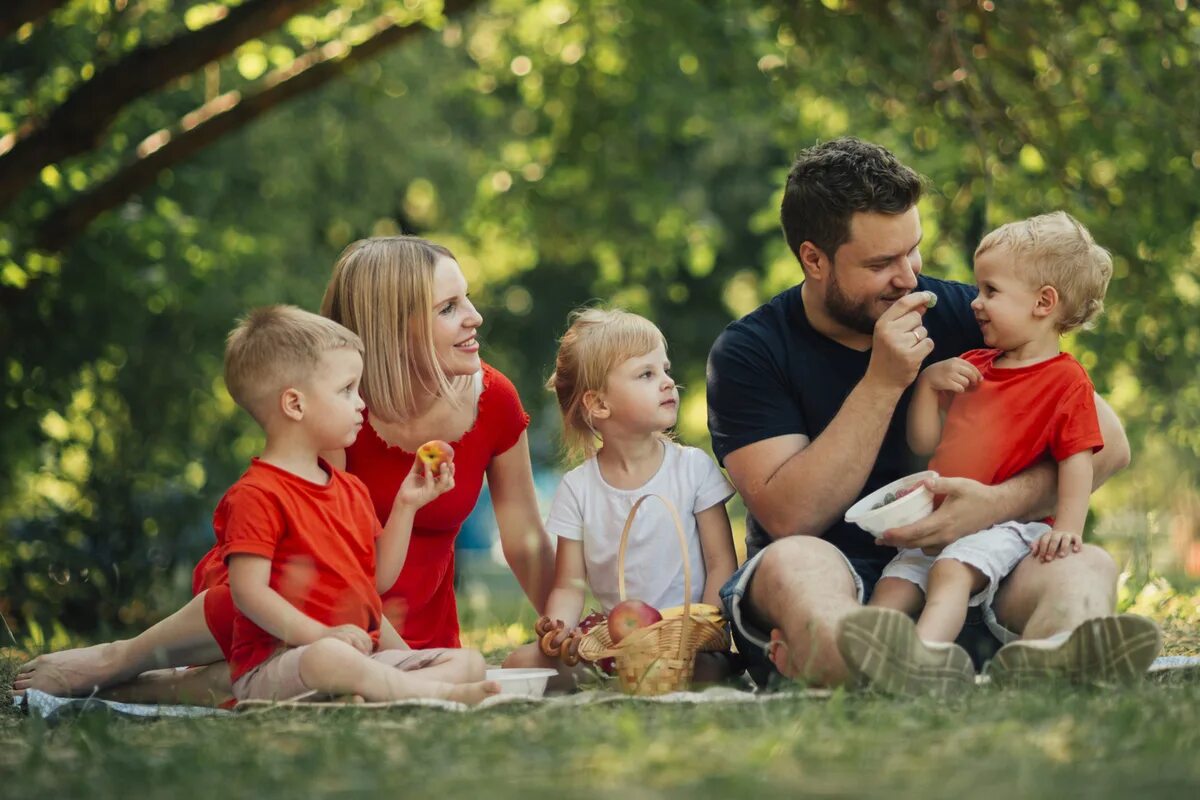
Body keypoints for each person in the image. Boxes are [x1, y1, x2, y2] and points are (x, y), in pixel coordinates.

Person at [13, 236, 555, 703]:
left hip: (401, 614)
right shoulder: (337, 406)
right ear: (394, 326)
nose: (475, 316)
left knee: (306, 676)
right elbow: (330, 560)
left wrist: (565, 627)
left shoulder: (495, 399)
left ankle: (159, 686)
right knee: (301, 656)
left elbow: (526, 542)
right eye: (448, 307)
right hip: (299, 586)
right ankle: (119, 661)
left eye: (467, 299)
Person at [705, 136, 1158, 692]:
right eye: (881, 263)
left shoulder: (969, 315)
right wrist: (884, 381)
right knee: (792, 562)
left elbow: (1109, 443)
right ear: (813, 259)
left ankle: (1054, 657)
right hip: (837, 581)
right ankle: (878, 660)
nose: (909, 277)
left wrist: (994, 504)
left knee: (1086, 564)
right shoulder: (749, 352)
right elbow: (792, 517)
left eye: (912, 249)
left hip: (969, 575)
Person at [839, 211, 1157, 695]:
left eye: (990, 291)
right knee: (896, 583)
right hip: (941, 517)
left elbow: (1077, 458)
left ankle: (922, 663)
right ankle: (868, 661)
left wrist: (1068, 528)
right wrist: (926, 385)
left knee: (948, 574)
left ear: (1043, 302)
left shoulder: (1065, 381)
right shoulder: (973, 365)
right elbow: (924, 444)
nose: (976, 304)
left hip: (1003, 528)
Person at [215, 305, 495, 704]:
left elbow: (376, 579)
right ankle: (430, 695)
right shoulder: (256, 495)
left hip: (358, 656)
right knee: (330, 658)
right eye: (347, 390)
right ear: (295, 405)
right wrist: (320, 636)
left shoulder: (349, 490)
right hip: (281, 662)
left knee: (469, 662)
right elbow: (248, 594)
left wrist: (405, 506)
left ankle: (386, 689)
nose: (361, 403)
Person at [503, 309, 738, 690]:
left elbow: (720, 561)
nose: (668, 382)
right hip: (618, 639)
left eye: (665, 369)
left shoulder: (693, 468)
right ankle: (626, 674)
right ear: (598, 404)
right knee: (521, 662)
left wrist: (701, 630)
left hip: (686, 637)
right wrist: (559, 629)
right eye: (647, 374)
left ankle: (668, 673)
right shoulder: (579, 488)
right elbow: (568, 585)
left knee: (707, 670)